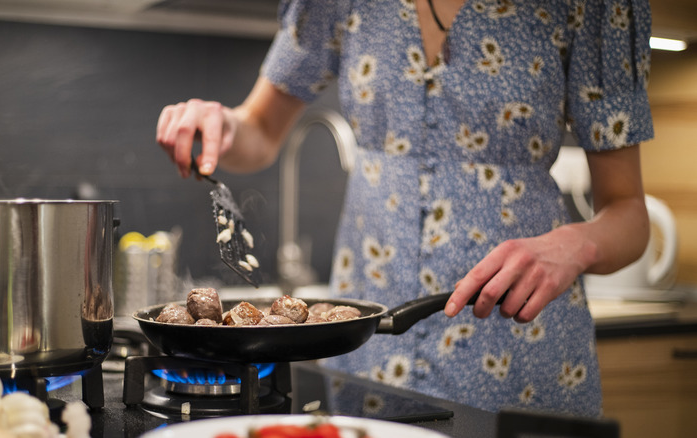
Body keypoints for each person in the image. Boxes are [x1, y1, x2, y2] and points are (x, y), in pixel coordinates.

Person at [156, 0, 653, 416]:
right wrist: (220, 123)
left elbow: (628, 214)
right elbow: (260, 133)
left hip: (519, 344)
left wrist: (575, 243)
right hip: (371, 338)